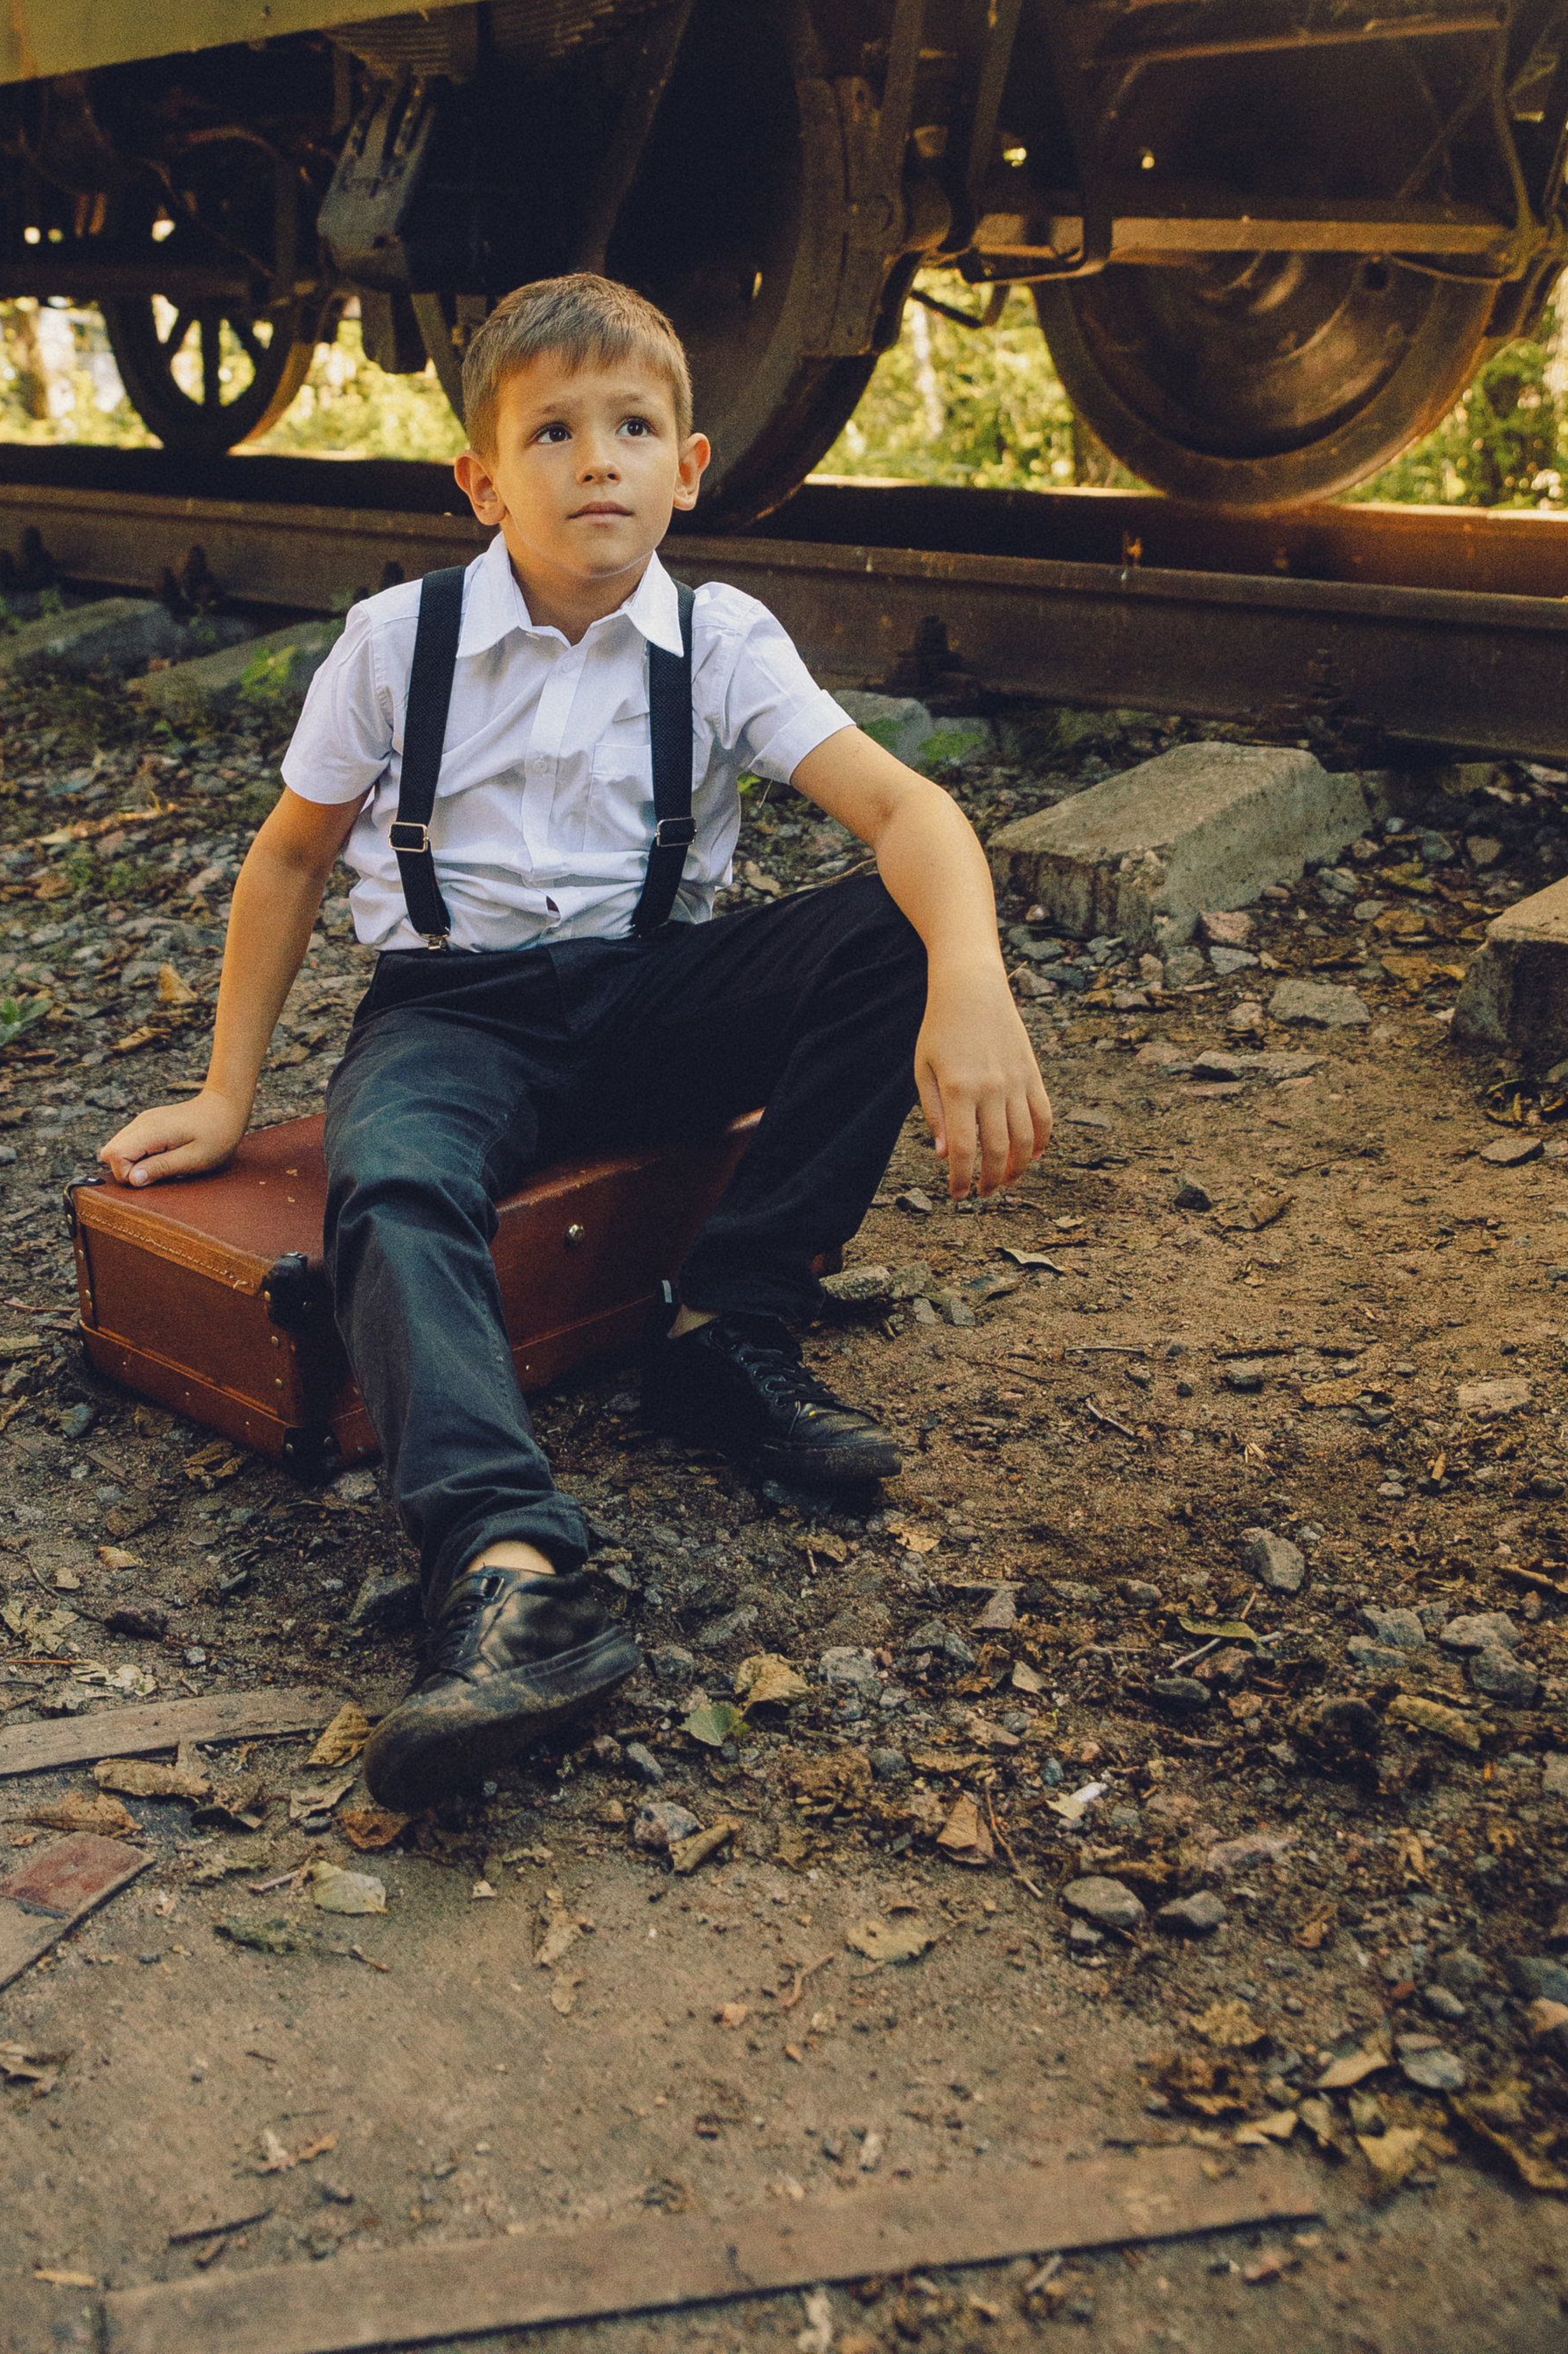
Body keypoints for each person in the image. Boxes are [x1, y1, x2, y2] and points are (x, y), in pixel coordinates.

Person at [98, 273, 1051, 1809]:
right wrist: (228, 1094)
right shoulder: (395, 641)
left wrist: (973, 972)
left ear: (689, 466)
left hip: (649, 993)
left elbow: (908, 811)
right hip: (454, 1011)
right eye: (551, 430)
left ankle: (729, 1336)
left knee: (893, 922)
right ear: (482, 481)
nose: (594, 458)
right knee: (393, 1183)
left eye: (633, 425)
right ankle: (514, 1567)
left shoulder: (720, 640)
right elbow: (286, 859)